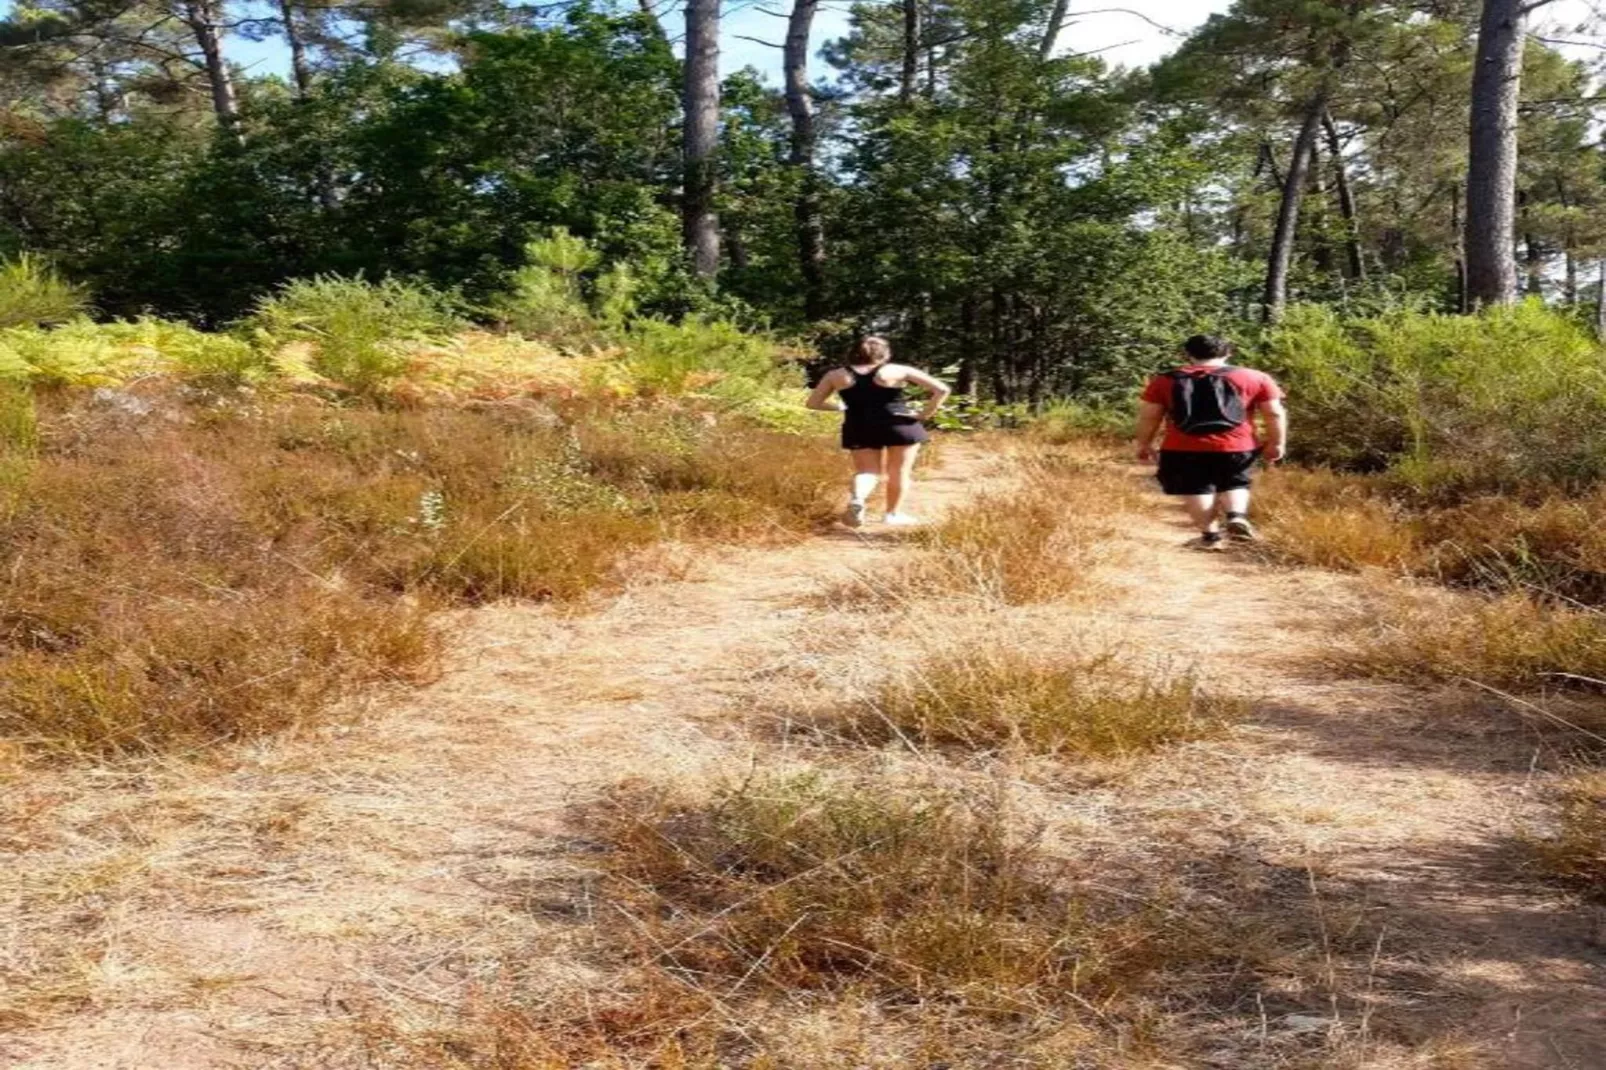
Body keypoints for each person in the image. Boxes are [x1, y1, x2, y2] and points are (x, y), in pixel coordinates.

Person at [1134, 334, 1287, 550]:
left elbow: (1149, 416)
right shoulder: (1255, 377)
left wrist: (1144, 444)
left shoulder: (1165, 380)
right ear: (1228, 353)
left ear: (1187, 354)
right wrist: (1277, 443)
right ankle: (1236, 515)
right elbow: (1274, 414)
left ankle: (1210, 538)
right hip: (1238, 445)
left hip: (1182, 447)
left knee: (1196, 489)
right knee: (1235, 482)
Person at [806, 335, 952, 528]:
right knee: (899, 472)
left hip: (859, 425)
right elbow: (942, 389)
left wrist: (839, 407)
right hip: (899, 424)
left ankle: (858, 499)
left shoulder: (836, 375)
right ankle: (892, 514)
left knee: (867, 471)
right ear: (885, 353)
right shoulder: (898, 370)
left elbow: (813, 403)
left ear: (853, 352)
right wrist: (924, 414)